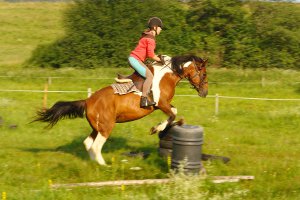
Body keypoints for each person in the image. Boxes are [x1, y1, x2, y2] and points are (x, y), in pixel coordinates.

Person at [128, 17, 165, 108]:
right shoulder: (151, 39)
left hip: (134, 59)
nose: (161, 29)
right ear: (155, 27)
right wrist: (160, 60)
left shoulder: (147, 35)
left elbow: (148, 54)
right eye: (160, 27)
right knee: (150, 76)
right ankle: (144, 100)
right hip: (135, 60)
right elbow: (151, 54)